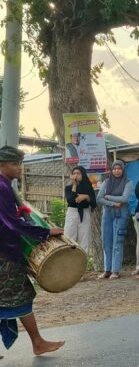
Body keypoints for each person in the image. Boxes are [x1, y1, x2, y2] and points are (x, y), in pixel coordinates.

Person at [0, 146, 65, 357]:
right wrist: (45, 232)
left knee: (9, 299)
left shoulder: (6, 185)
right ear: (2, 165)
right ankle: (37, 342)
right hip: (4, 255)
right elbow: (10, 223)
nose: (20, 168)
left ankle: (38, 342)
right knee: (19, 296)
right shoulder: (1, 187)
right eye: (15, 164)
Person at [96, 160, 133, 280]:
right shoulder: (107, 182)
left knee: (117, 241)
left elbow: (125, 198)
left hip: (121, 214)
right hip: (107, 213)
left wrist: (109, 197)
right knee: (106, 241)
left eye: (119, 169)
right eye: (115, 169)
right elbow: (99, 199)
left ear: (123, 170)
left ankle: (115, 271)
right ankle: (107, 270)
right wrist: (113, 203)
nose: (117, 171)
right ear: (111, 170)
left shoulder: (128, 182)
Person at [63, 166, 96, 252]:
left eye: (78, 173)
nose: (76, 175)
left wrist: (85, 196)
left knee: (84, 240)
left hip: (84, 213)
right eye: (74, 173)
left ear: (83, 175)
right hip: (72, 213)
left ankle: (83, 263)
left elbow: (93, 202)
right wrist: (74, 185)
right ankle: (70, 263)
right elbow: (70, 201)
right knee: (69, 238)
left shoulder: (88, 187)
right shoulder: (68, 188)